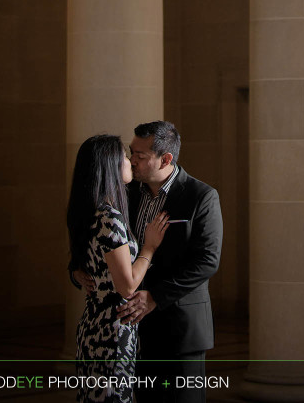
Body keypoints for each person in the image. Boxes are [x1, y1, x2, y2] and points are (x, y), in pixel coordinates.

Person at [74, 121, 223, 403]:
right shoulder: (124, 192)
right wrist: (78, 270)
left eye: (140, 156)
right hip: (131, 331)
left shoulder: (200, 196)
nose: (132, 161)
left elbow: (207, 261)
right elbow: (94, 237)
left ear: (165, 159)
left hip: (179, 327)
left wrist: (155, 297)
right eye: (131, 153)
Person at [67, 134, 169, 402]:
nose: (129, 162)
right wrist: (149, 247)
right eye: (124, 157)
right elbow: (127, 285)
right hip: (112, 330)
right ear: (109, 166)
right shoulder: (108, 218)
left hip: (93, 324)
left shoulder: (91, 210)